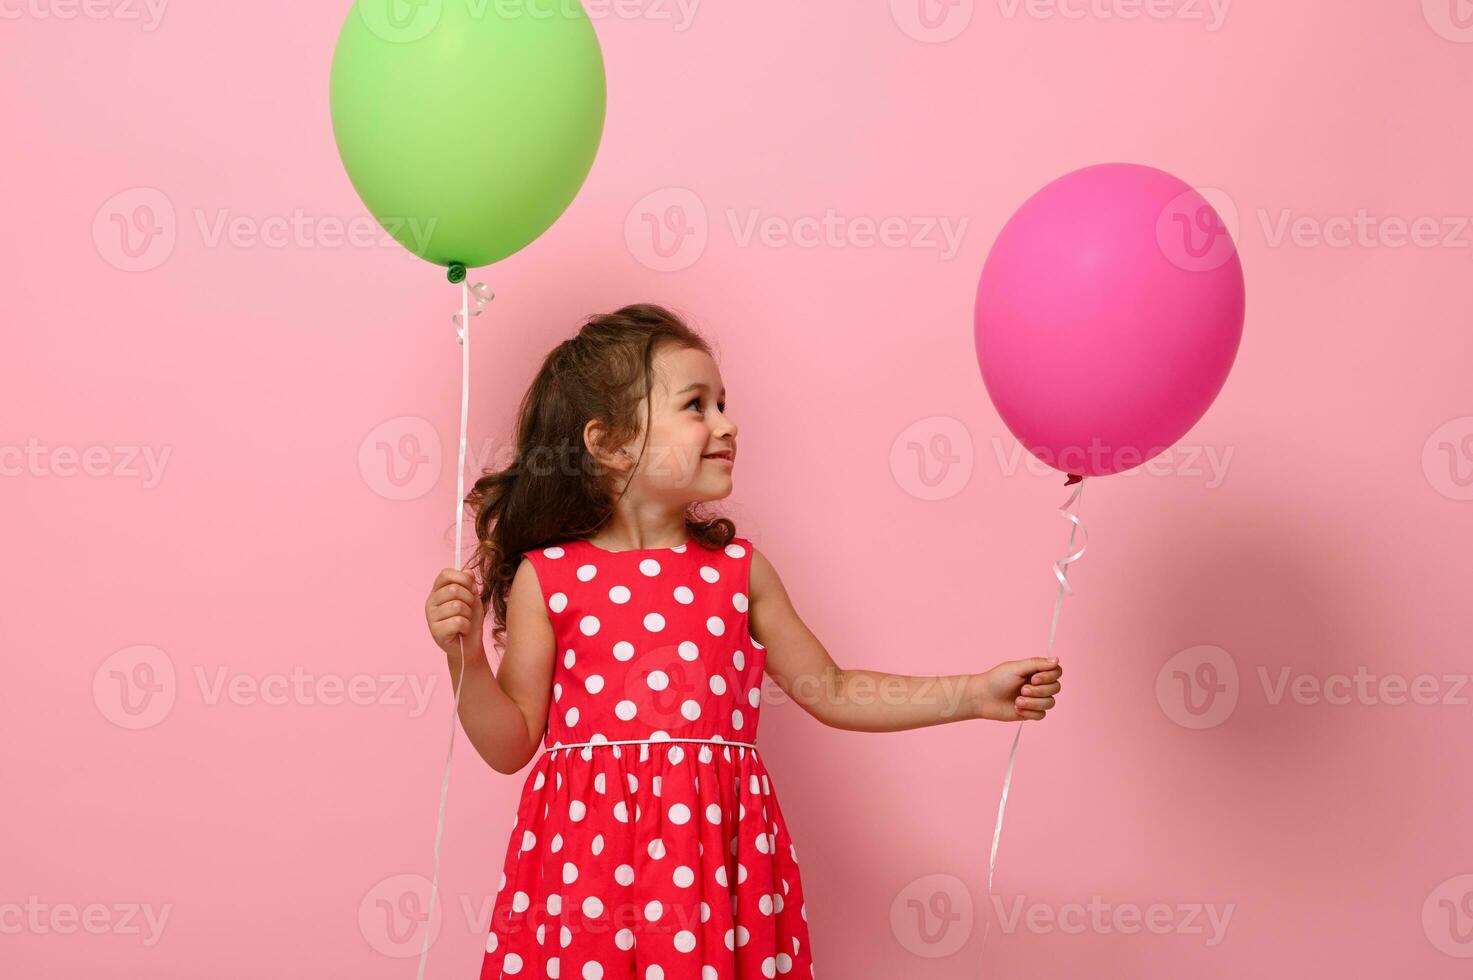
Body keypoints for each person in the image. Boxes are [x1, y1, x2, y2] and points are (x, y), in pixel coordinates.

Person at [424, 303, 1064, 979]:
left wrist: (972, 694)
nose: (726, 424)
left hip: (715, 875)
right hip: (585, 877)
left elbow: (836, 690)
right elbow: (510, 743)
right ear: (609, 443)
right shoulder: (548, 579)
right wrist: (462, 658)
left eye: (723, 403)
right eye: (696, 405)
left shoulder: (738, 571)